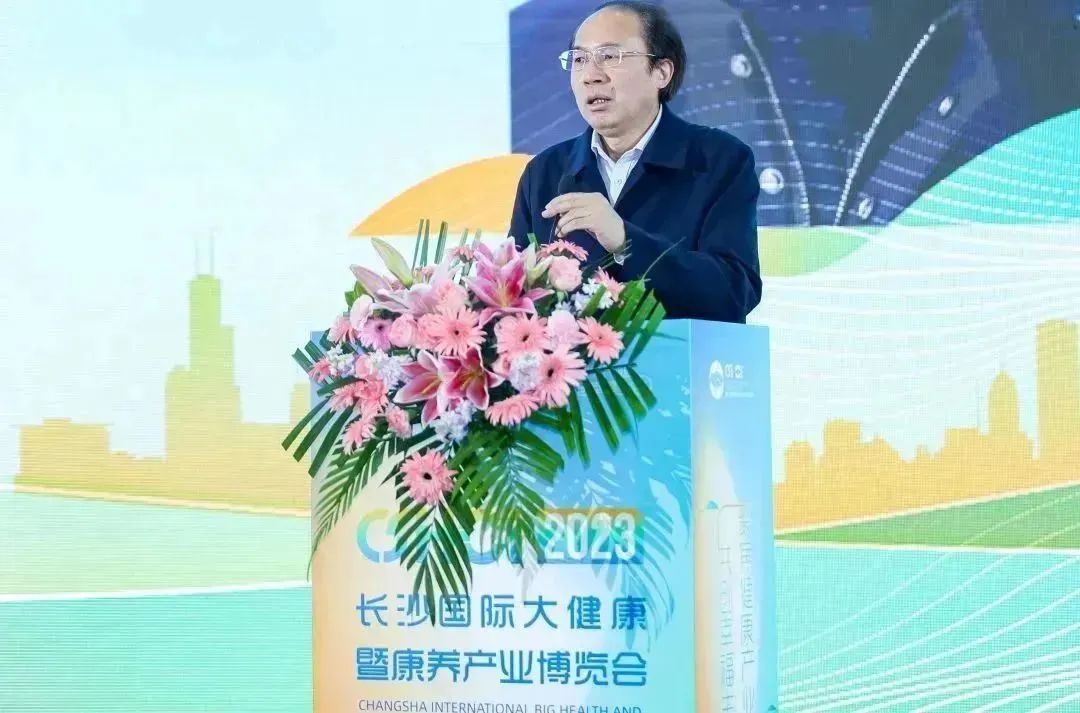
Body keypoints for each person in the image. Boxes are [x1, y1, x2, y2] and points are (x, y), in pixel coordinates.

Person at [508, 1, 762, 323]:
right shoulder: (545, 172)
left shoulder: (718, 160)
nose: (590, 76)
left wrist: (624, 240)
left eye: (610, 56)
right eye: (580, 59)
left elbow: (735, 292)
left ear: (661, 72)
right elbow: (516, 298)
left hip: (679, 355)